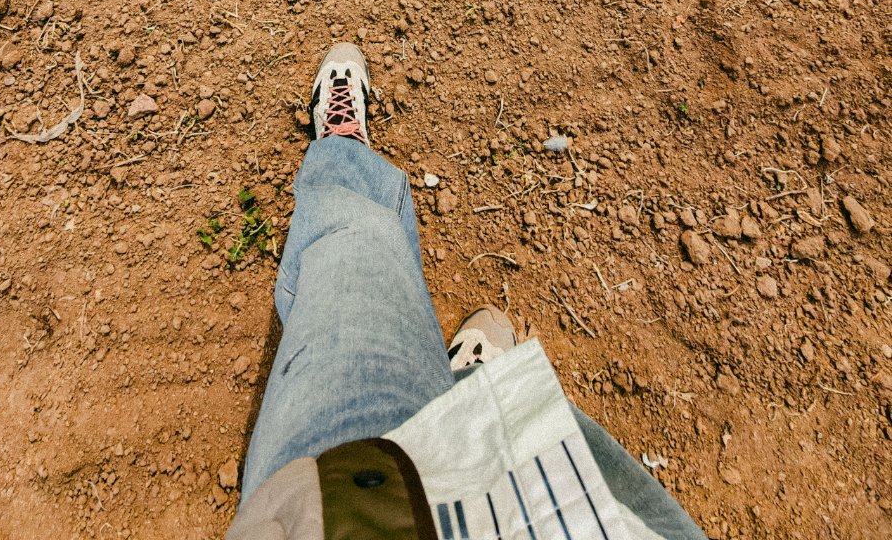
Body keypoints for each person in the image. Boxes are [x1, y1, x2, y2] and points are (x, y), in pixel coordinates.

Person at [229, 44, 709, 540]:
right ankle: (465, 394)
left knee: (354, 239)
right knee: (538, 450)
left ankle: (342, 152)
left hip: (333, 504)